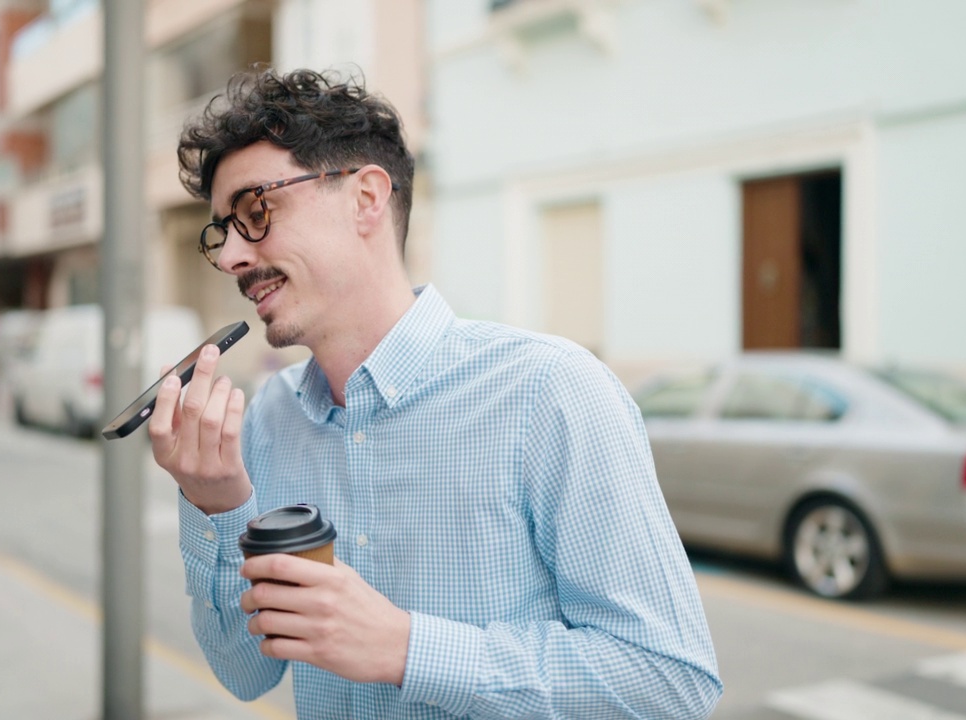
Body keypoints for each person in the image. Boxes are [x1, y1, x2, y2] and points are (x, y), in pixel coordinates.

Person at [150, 68, 722, 720]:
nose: (229, 258)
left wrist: (408, 648)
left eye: (255, 212)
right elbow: (245, 673)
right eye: (221, 231)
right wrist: (216, 501)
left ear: (367, 197)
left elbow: (671, 683)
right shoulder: (269, 421)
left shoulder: (552, 393)